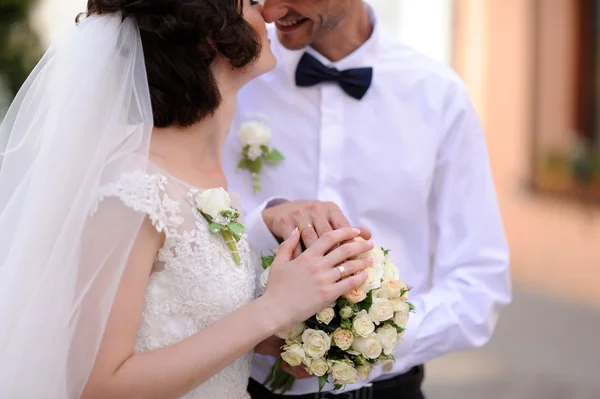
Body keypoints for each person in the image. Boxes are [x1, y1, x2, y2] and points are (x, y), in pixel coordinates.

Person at [0, 1, 375, 398]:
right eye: (248, 2)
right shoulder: (131, 191)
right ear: (210, 37)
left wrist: (291, 333)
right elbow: (98, 385)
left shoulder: (205, 178)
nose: (265, 11)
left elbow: (186, 325)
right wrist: (272, 310)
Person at [223, 1, 512, 398]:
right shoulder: (234, 73)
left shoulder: (438, 95)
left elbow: (479, 282)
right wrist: (262, 222)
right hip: (241, 385)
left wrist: (372, 338)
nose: (271, 11)